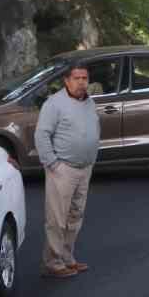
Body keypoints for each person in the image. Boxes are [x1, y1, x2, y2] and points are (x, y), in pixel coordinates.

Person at [35, 63, 101, 278]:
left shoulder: (89, 103)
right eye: (77, 78)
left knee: (75, 215)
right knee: (57, 218)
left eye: (85, 78)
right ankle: (53, 262)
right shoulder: (54, 104)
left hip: (85, 168)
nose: (82, 82)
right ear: (67, 81)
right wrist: (53, 164)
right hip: (63, 168)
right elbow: (41, 135)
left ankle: (67, 258)